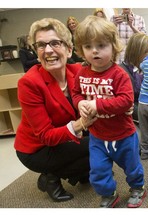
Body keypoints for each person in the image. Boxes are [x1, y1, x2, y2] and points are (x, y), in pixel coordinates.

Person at [14, 18, 97, 202]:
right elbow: (45, 136)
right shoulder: (29, 83)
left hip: (64, 139)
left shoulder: (78, 71)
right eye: (41, 45)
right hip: (37, 149)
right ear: (37, 53)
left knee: (101, 146)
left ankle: (82, 171)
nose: (48, 50)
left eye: (55, 43)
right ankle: (50, 177)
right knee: (98, 147)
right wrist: (81, 124)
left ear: (69, 49)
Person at [72, 15, 146, 208]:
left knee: (132, 167)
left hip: (123, 135)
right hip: (98, 136)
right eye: (88, 47)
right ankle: (108, 194)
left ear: (113, 46)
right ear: (81, 50)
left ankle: (138, 188)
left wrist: (97, 105)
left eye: (101, 45)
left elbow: (126, 100)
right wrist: (79, 104)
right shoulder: (82, 73)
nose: (94, 51)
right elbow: (76, 93)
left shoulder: (118, 73)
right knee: (98, 170)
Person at [119, 33, 148, 123]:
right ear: (136, 52)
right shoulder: (123, 72)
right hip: (132, 119)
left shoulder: (143, 67)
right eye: (147, 51)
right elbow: (130, 104)